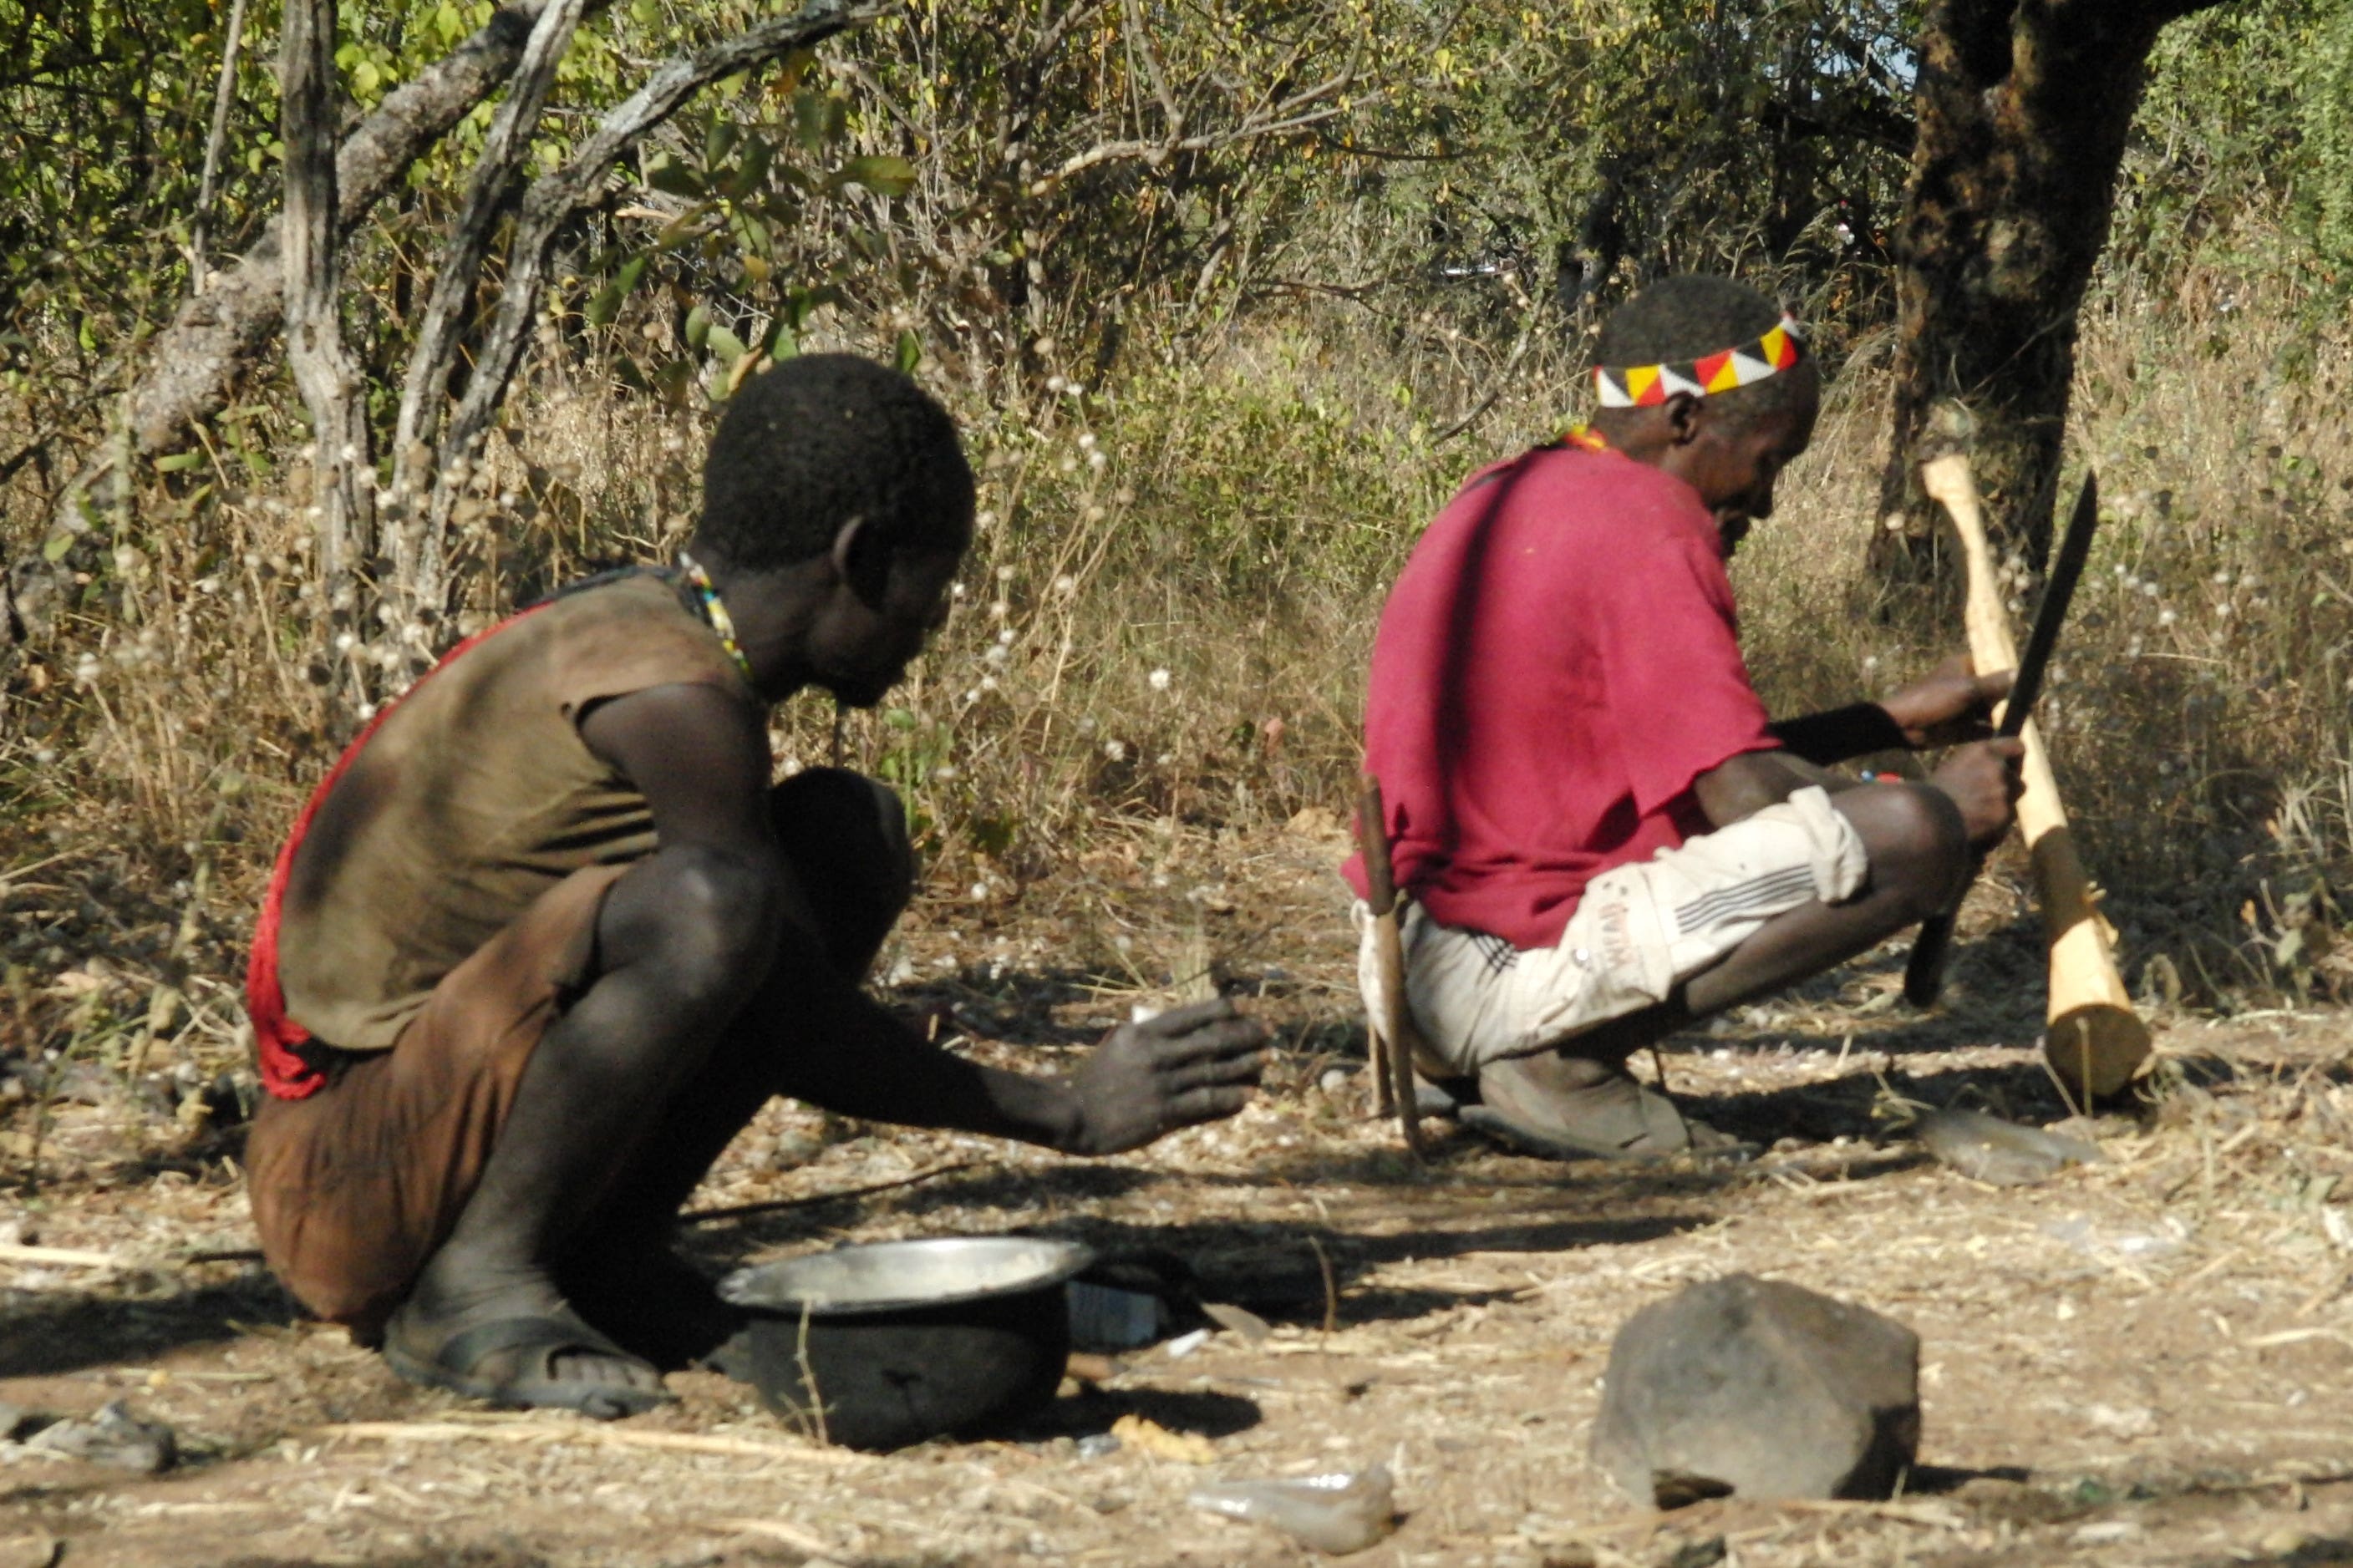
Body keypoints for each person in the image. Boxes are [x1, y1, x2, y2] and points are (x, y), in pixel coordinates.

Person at [242, 354, 1269, 1417]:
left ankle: (605, 1261)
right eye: (936, 581)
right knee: (712, 907)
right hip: (342, 1193)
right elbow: (786, 1006)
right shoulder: (678, 695)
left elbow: (782, 994)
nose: (936, 622)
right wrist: (1066, 1111)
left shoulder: (656, 632)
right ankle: (476, 1285)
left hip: (402, 1132)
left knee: (844, 832)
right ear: (859, 558)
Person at [1344, 276, 2023, 1161]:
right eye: (1769, 457)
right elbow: (1740, 792)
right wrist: (1937, 806)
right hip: (1505, 981)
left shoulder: (1516, 487)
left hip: (1412, 978)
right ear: (1684, 419)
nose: (1768, 500)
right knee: (1906, 832)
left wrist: (1880, 720)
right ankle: (1559, 1058)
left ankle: (1511, 1056)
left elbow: (1673, 755)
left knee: (1884, 817)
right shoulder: (1648, 518)